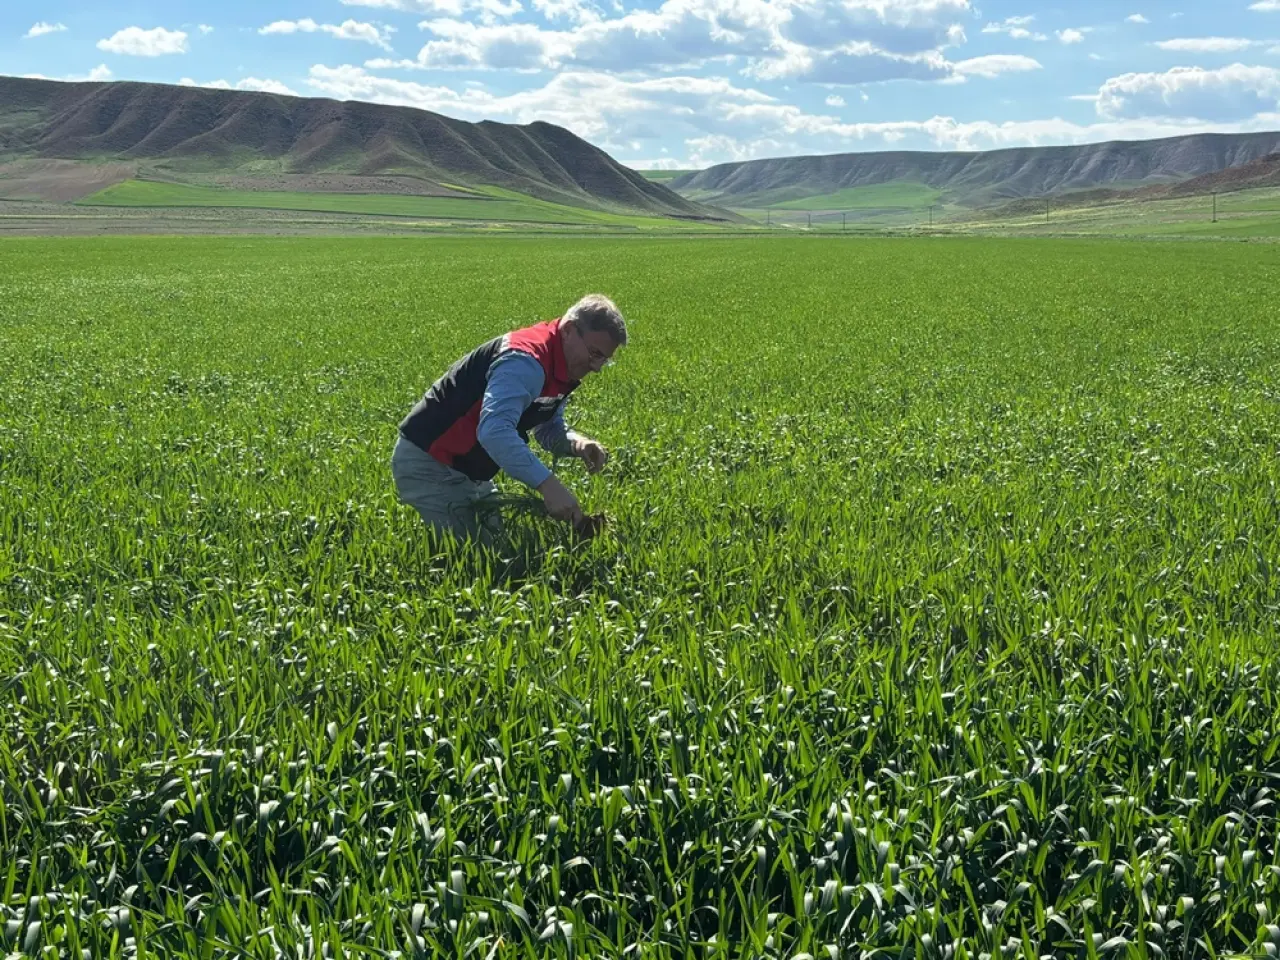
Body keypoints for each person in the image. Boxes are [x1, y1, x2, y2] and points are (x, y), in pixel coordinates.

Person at [391, 293, 626, 544]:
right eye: (594, 353)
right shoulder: (525, 362)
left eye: (604, 359)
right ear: (568, 330)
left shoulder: (562, 366)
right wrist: (547, 485)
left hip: (469, 473)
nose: (597, 367)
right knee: (479, 559)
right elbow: (494, 431)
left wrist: (577, 444)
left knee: (503, 545)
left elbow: (547, 428)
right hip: (430, 465)